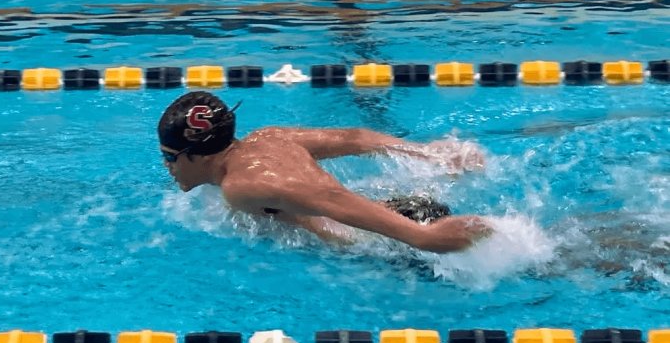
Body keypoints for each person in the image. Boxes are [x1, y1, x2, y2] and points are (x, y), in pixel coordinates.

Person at [158, 91, 492, 253]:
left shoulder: (243, 184)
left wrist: (422, 237)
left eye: (168, 157)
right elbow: (355, 138)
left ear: (194, 156)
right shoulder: (268, 138)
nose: (167, 167)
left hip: (379, 247)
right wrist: (427, 155)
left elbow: (327, 196)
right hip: (392, 209)